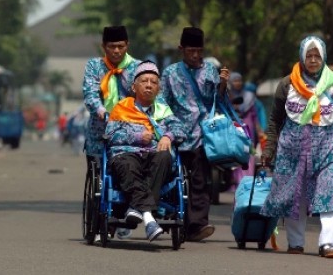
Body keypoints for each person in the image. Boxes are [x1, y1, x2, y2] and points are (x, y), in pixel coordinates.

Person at [260, 36, 333, 258]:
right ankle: (295, 243)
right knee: (296, 196)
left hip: (329, 149)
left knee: (330, 191)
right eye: (309, 56)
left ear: (323, 58)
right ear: (302, 57)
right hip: (293, 152)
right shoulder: (287, 84)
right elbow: (274, 122)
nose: (313, 60)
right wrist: (268, 150)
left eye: (317, 56)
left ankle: (328, 244)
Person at [160, 27, 229, 241]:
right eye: (191, 50)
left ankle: (197, 225)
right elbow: (161, 102)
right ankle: (171, 216)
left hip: (202, 134)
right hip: (176, 132)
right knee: (172, 177)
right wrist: (164, 129)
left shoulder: (209, 70)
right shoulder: (170, 73)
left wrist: (223, 84)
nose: (196, 55)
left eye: (199, 50)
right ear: (182, 49)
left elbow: (219, 100)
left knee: (200, 180)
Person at [105, 60, 186, 241]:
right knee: (126, 163)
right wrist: (137, 137)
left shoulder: (163, 110)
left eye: (153, 82)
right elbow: (110, 136)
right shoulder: (122, 108)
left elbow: (180, 130)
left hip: (154, 156)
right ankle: (149, 217)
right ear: (134, 87)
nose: (149, 85)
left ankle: (136, 209)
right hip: (127, 154)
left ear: (158, 89)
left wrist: (167, 137)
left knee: (165, 157)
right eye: (144, 81)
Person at [82, 25, 140, 158]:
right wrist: (99, 109)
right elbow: (90, 92)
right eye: (111, 47)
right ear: (103, 46)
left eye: (120, 46)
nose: (116, 51)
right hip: (101, 131)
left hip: (131, 132)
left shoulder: (138, 67)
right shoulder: (94, 66)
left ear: (127, 45)